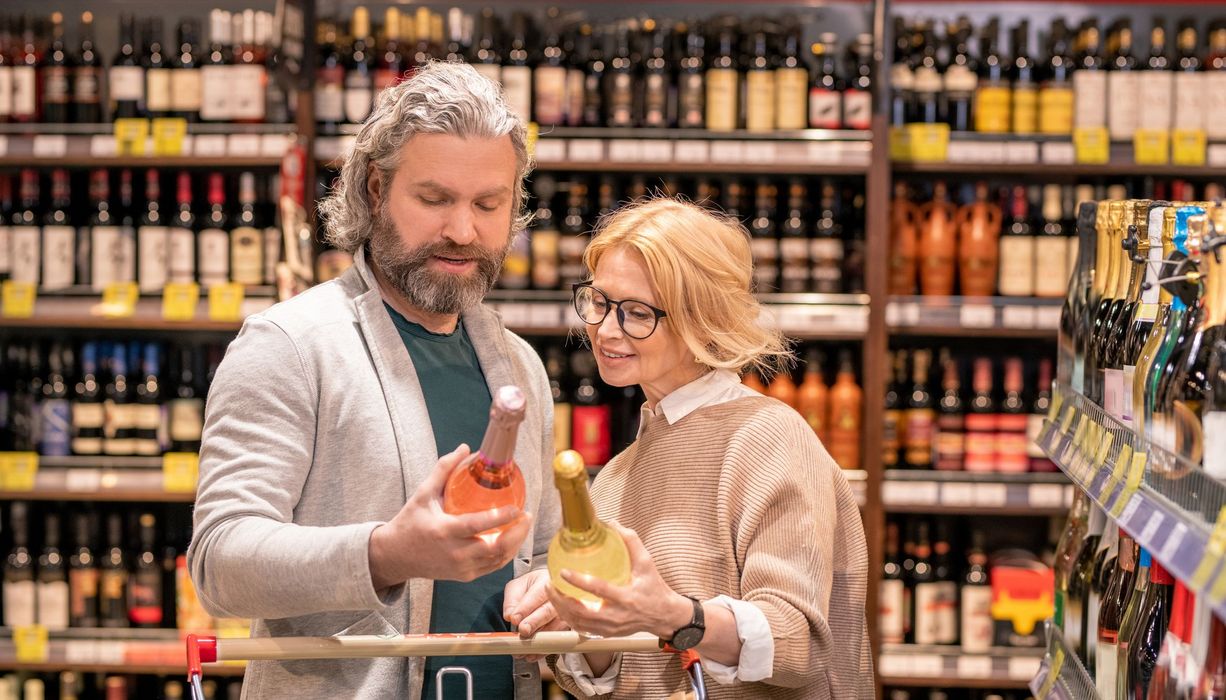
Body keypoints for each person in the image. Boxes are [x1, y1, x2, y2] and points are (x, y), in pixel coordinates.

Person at [187, 61, 562, 700]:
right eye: (435, 198)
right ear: (376, 188)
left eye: (488, 204)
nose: (463, 230)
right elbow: (220, 561)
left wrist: (555, 589)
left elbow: (546, 554)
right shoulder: (289, 346)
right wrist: (385, 554)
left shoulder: (519, 364)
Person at [546, 198, 874, 699]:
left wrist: (674, 615)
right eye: (599, 302)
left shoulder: (769, 437)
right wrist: (582, 615)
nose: (606, 330)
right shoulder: (615, 476)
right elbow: (613, 676)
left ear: (703, 319)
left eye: (636, 313)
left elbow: (796, 644)